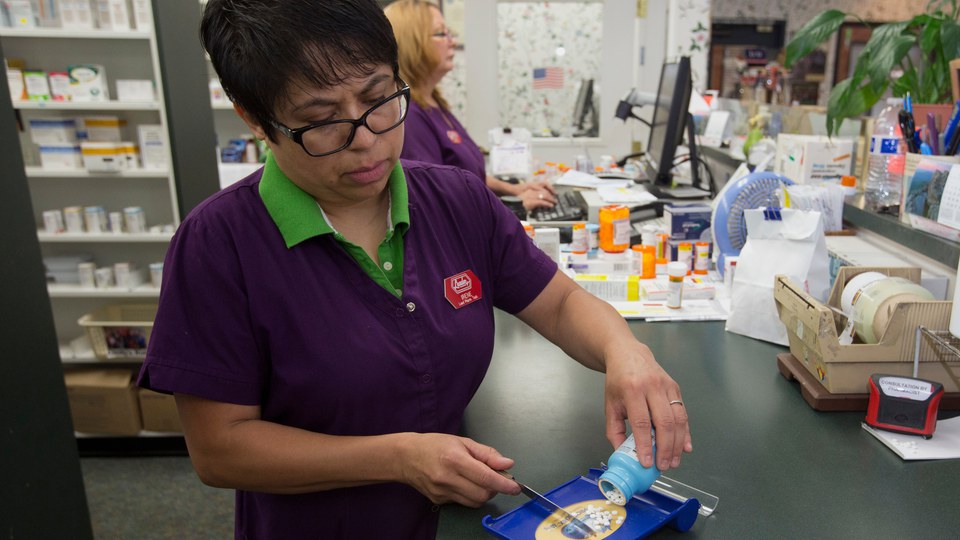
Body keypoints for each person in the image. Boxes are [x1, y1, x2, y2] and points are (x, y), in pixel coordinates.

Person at [138, 1, 691, 538]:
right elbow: (220, 449)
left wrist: (624, 351)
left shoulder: (457, 200)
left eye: (379, 98)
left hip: (456, 519)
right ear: (257, 120)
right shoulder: (219, 244)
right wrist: (400, 458)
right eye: (321, 121)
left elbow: (561, 302)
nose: (367, 140)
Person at [384, 0, 557, 215]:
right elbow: (437, 202)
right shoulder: (411, 117)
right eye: (441, 34)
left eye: (450, 33)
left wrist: (514, 189)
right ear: (412, 44)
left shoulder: (435, 103)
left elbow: (468, 172)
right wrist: (517, 205)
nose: (453, 42)